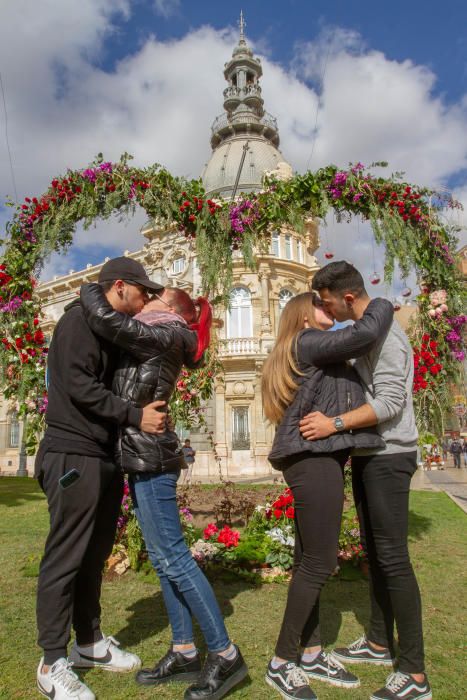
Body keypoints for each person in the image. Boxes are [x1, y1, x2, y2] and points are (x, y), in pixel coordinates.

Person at [79, 282, 248, 700]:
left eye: (151, 297)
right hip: (142, 456)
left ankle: (225, 655)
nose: (143, 301)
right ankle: (185, 649)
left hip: (152, 458)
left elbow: (105, 318)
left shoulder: (165, 330)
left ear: (167, 306)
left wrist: (89, 288)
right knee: (162, 558)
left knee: (174, 558)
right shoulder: (164, 332)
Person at [35, 257, 167, 700]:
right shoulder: (77, 323)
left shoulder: (110, 329)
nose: (147, 299)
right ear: (119, 287)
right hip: (72, 453)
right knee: (66, 557)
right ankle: (52, 660)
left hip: (102, 455)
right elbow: (77, 385)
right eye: (142, 291)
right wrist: (134, 415)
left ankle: (88, 645)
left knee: (95, 556)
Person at [300, 261, 431, 700]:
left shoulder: (387, 336)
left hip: (390, 455)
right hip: (370, 454)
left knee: (393, 558)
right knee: (377, 553)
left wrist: (334, 423)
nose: (325, 308)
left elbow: (391, 402)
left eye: (326, 300)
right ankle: (378, 642)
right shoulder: (368, 332)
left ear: (348, 298)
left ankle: (413, 673)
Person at [261, 290, 394, 700]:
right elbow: (364, 335)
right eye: (320, 304)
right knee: (319, 562)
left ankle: (312, 650)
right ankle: (282, 663)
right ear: (304, 315)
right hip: (314, 459)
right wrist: (381, 304)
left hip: (315, 459)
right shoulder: (308, 342)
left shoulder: (302, 346)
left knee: (306, 561)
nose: (329, 309)